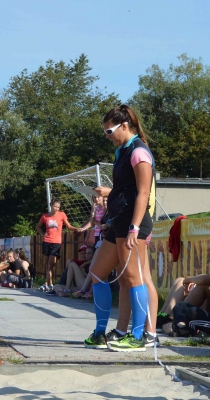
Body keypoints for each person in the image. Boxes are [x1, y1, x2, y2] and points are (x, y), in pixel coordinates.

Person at [83, 105, 155, 352]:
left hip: (132, 222)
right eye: (105, 132)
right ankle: (102, 332)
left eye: (109, 130)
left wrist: (135, 228)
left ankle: (137, 337)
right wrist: (110, 193)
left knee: (134, 278)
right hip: (116, 221)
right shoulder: (121, 152)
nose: (107, 136)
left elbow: (143, 192)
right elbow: (126, 189)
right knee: (97, 273)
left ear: (124, 126)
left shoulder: (139, 151)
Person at [36, 199, 82, 293]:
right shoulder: (45, 216)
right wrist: (42, 234)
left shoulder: (62, 215)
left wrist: (77, 229)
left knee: (52, 264)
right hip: (47, 241)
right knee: (48, 264)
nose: (56, 208)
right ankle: (49, 283)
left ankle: (47, 283)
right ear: (51, 205)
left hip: (56, 242)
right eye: (55, 206)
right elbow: (38, 226)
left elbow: (68, 226)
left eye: (58, 207)